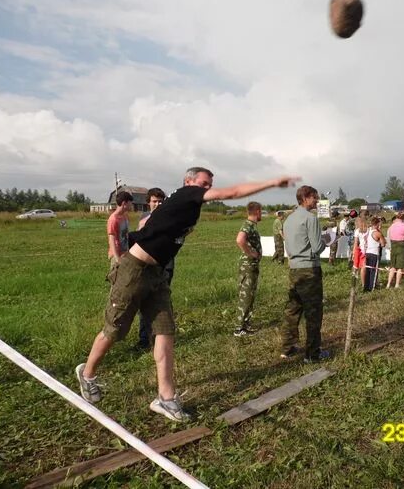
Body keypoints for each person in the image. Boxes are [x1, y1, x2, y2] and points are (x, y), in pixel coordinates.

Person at [76, 167, 298, 421]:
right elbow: (234, 191)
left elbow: (151, 230)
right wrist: (272, 182)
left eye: (209, 184)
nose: (206, 188)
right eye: (203, 183)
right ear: (189, 182)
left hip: (157, 274)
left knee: (165, 330)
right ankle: (88, 373)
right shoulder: (186, 195)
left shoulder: (186, 206)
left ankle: (166, 398)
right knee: (115, 330)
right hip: (134, 272)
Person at [280, 185, 330, 363]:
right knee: (313, 313)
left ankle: (288, 347)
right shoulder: (311, 219)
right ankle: (313, 354)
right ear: (306, 197)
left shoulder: (288, 220)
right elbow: (316, 248)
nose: (317, 201)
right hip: (309, 269)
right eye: (315, 197)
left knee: (293, 309)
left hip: (294, 268)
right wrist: (327, 240)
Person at [134, 187, 173, 349]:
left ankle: (162, 336)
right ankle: (144, 338)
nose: (157, 204)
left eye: (160, 201)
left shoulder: (169, 217)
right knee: (144, 301)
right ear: (148, 203)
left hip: (165, 266)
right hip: (146, 266)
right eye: (154, 201)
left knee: (162, 302)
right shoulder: (143, 218)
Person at [235, 201, 263, 337]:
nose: (261, 214)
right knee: (245, 295)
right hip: (248, 266)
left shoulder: (251, 225)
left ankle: (246, 324)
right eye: (261, 211)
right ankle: (239, 328)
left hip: (252, 266)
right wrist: (251, 253)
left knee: (250, 295)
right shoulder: (247, 225)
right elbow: (240, 240)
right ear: (257, 211)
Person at [106, 191, 133, 278]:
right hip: (117, 255)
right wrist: (117, 258)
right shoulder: (113, 219)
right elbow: (112, 240)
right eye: (130, 203)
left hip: (125, 253)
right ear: (124, 203)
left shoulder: (125, 216)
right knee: (116, 282)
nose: (131, 206)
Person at [386, 212, 404, 289]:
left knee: (392, 266)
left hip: (393, 245)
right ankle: (397, 284)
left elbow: (388, 237)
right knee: (400, 267)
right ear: (403, 218)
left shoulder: (391, 226)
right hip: (401, 246)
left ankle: (388, 284)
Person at [363, 216, 386, 291]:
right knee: (374, 271)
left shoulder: (368, 231)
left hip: (368, 253)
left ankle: (366, 287)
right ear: (377, 224)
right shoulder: (377, 233)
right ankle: (372, 287)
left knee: (368, 271)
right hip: (374, 253)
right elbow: (383, 244)